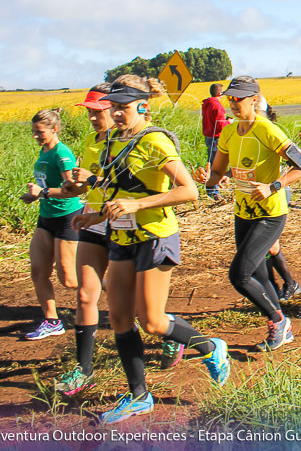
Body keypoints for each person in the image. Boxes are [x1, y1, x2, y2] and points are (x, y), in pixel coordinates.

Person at [71, 76, 229, 424]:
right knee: (120, 318)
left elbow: (189, 192)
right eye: (113, 109)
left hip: (156, 235)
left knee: (154, 322)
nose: (115, 115)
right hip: (121, 237)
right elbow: (116, 190)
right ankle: (138, 396)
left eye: (122, 109)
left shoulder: (155, 141)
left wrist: (136, 206)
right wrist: (95, 215)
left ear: (142, 107)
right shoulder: (112, 141)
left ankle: (209, 346)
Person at [197, 76, 301, 352]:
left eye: (239, 98)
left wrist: (273, 186)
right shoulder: (229, 132)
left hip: (270, 213)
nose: (233, 103)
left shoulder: (267, 130)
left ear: (254, 99)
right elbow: (218, 173)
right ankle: (282, 326)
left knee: (240, 275)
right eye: (230, 98)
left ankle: (278, 319)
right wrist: (206, 179)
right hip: (243, 212)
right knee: (257, 275)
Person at [18, 109, 82, 340]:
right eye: (33, 132)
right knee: (38, 271)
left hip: (67, 217)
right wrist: (36, 196)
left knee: (69, 279)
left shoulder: (62, 153)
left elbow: (72, 190)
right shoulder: (44, 151)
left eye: (40, 132)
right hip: (45, 218)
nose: (35, 136)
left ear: (54, 129)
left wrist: (42, 192)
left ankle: (114, 287)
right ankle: (52, 321)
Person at [200, 84, 230, 200]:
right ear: (220, 93)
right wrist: (229, 123)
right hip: (216, 138)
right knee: (216, 165)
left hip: (208, 136)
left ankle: (211, 189)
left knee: (212, 162)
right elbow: (220, 125)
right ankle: (214, 191)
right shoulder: (217, 105)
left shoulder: (206, 104)